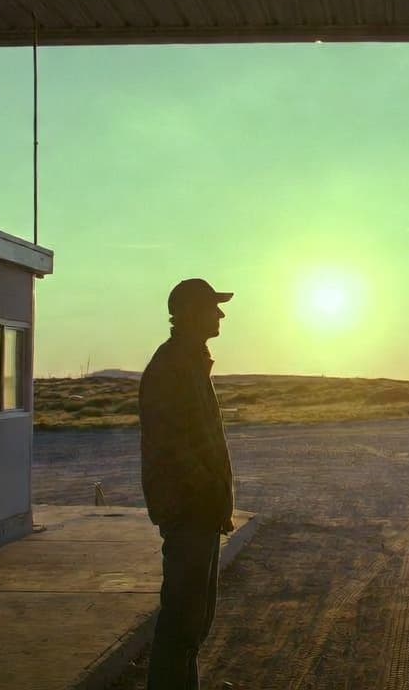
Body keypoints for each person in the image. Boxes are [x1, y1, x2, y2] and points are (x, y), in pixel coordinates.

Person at [139, 278, 236, 689]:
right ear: (192, 312)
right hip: (189, 511)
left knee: (192, 624)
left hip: (200, 511)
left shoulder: (190, 361)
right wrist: (208, 496)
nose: (221, 314)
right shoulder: (172, 367)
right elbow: (174, 445)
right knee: (182, 623)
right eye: (213, 307)